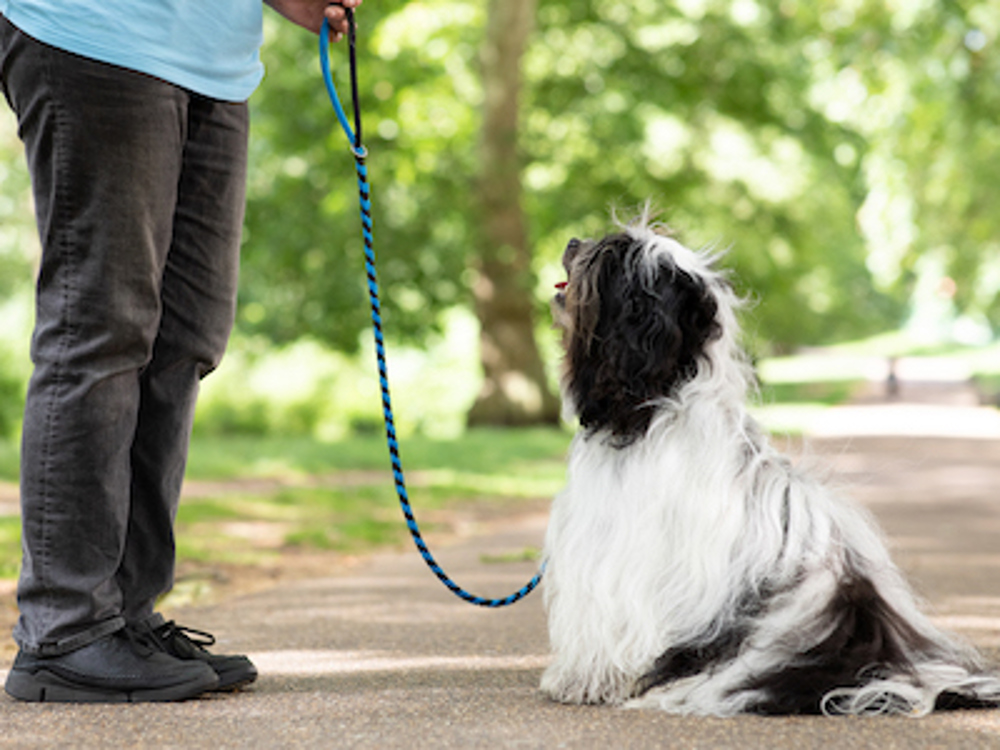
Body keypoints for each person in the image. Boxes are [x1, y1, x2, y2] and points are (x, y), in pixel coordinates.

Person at [0, 0, 362, 702]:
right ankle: (65, 630)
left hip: (214, 61)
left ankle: (124, 616)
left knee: (185, 338)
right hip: (95, 31)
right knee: (101, 329)